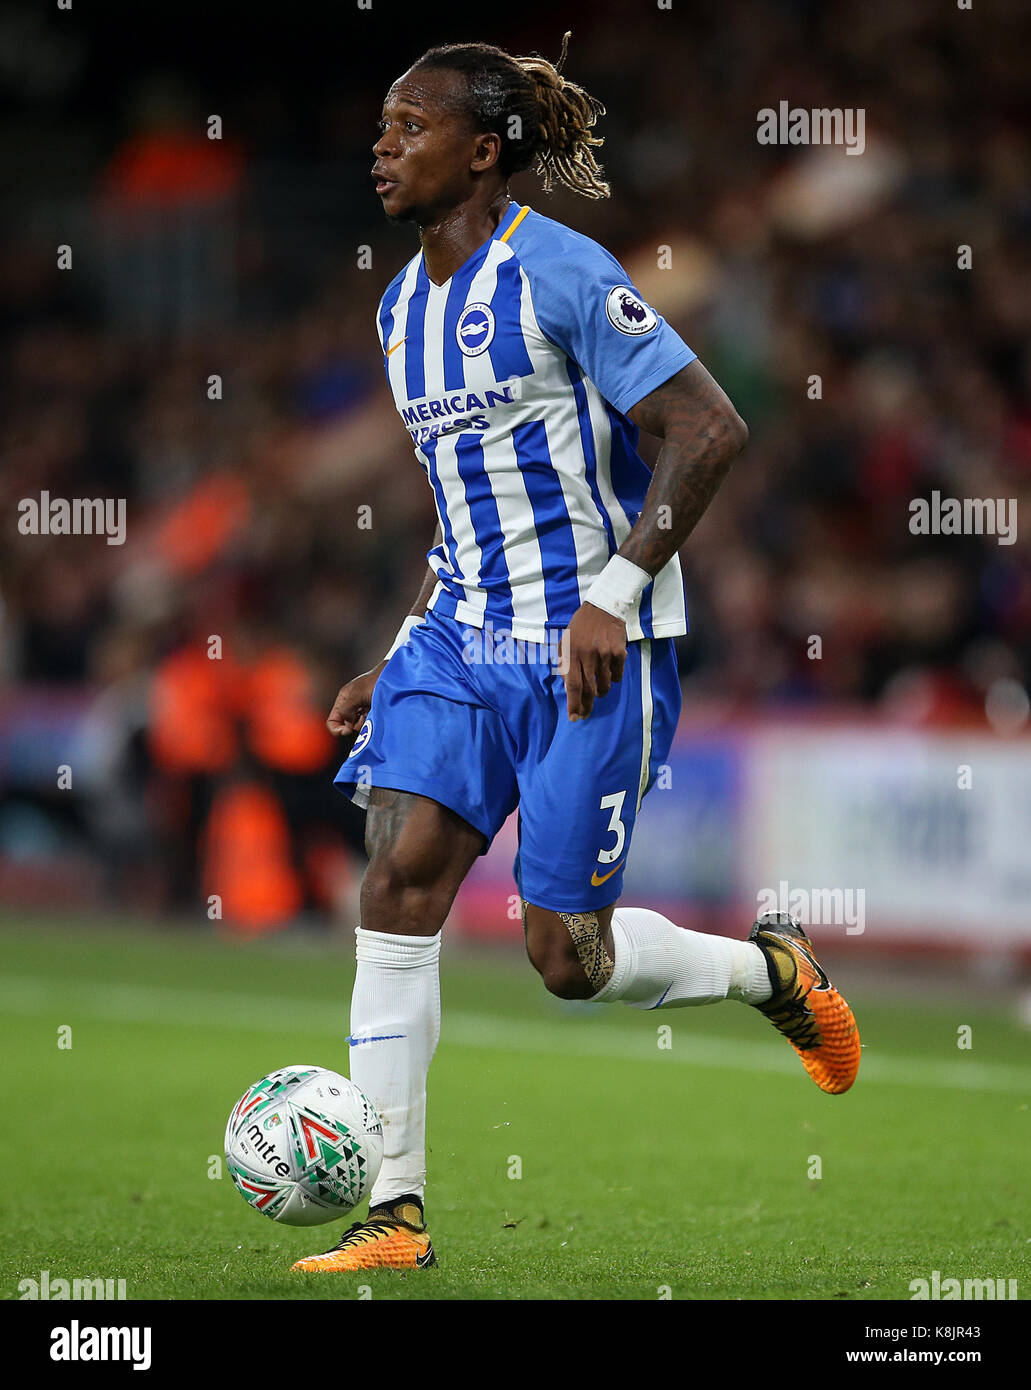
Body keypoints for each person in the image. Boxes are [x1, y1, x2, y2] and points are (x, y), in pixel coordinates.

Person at [292, 35, 859, 1275]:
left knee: (567, 957)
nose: (380, 146)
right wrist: (396, 651)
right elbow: (464, 502)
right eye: (380, 126)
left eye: (408, 126)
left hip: (586, 651)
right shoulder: (398, 311)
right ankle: (393, 1210)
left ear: (482, 151)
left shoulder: (558, 271)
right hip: (456, 640)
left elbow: (707, 428)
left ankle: (770, 969)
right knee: (395, 885)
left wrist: (613, 590)